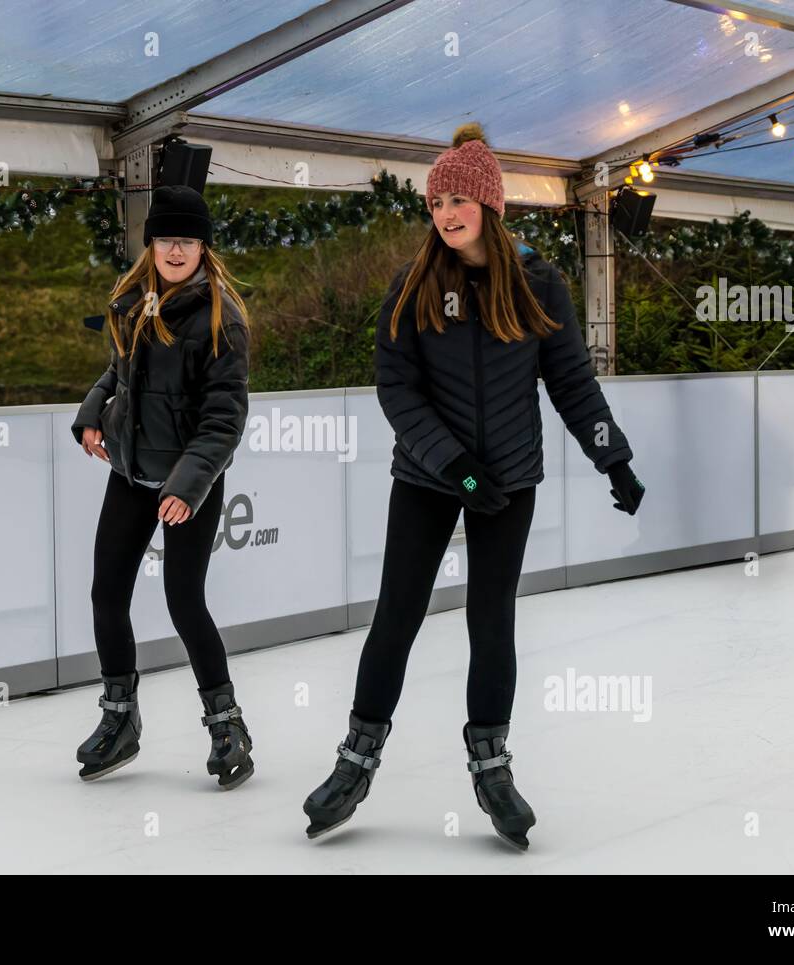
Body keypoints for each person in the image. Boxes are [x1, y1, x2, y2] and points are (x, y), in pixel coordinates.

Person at [302, 123, 646, 847]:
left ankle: (492, 765)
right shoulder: (415, 282)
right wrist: (452, 463)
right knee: (397, 613)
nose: (447, 213)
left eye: (459, 199)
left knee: (491, 622)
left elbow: (572, 384)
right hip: (429, 478)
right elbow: (397, 390)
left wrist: (613, 457)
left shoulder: (538, 280)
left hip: (511, 481)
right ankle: (356, 758)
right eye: (437, 203)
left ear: (489, 204)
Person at [69, 185, 255, 790]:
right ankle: (120, 717)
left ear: (203, 247)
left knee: (183, 601)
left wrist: (187, 485)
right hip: (130, 473)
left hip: (187, 482)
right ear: (151, 244)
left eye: (188, 240)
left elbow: (224, 420)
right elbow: (118, 370)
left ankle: (227, 725)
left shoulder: (221, 316)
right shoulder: (131, 301)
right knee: (106, 594)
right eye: (167, 239)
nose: (177, 250)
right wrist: (92, 412)